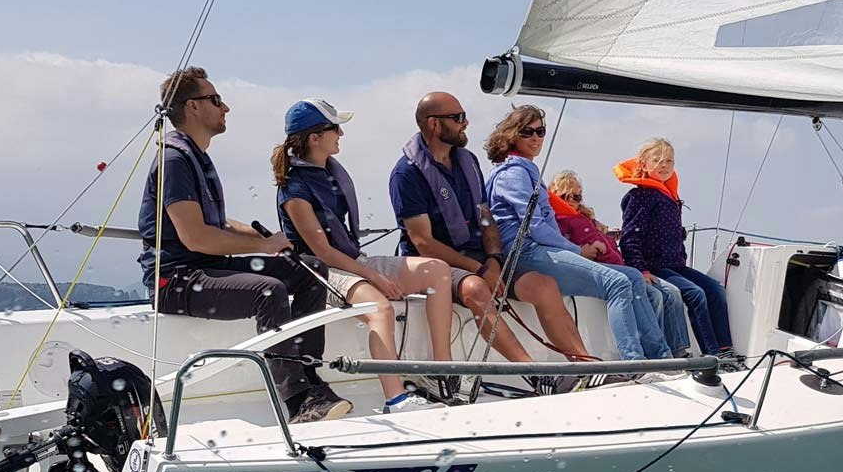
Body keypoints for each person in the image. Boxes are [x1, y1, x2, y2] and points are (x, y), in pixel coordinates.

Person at [135, 67, 351, 423]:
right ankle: (297, 402)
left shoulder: (195, 156)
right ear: (192, 107)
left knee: (311, 271)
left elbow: (217, 223)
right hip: (174, 281)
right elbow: (195, 237)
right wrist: (263, 249)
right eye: (216, 100)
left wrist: (266, 240)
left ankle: (310, 378)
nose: (226, 108)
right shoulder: (174, 159)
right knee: (268, 292)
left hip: (206, 269)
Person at [389, 92, 591, 392]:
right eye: (457, 118)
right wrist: (480, 270)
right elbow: (424, 242)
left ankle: (587, 367)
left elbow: (485, 218)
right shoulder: (406, 174)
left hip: (483, 258)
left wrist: (494, 258)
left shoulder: (467, 162)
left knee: (544, 285)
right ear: (434, 124)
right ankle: (537, 375)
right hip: (437, 264)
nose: (465, 123)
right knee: (476, 288)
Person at [274, 98, 455, 414]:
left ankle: (444, 373)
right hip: (320, 271)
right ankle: (395, 400)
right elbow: (322, 252)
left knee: (438, 271)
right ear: (314, 137)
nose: (341, 134)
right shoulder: (294, 189)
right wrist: (372, 275)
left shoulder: (328, 171)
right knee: (380, 309)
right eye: (335, 128)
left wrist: (367, 270)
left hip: (352, 261)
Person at [483, 105, 671, 364]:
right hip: (525, 252)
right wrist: (577, 251)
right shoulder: (513, 173)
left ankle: (661, 358)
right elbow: (535, 227)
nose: (537, 138)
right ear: (513, 135)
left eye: (541, 131)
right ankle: (634, 363)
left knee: (633, 277)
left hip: (540, 249)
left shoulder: (526, 170)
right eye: (528, 132)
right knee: (617, 283)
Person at [547, 170, 691, 356]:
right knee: (650, 293)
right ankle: (653, 355)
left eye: (577, 196)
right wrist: (581, 251)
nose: (572, 200)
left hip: (620, 267)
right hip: (597, 269)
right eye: (565, 196)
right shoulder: (558, 220)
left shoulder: (586, 220)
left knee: (665, 294)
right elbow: (559, 245)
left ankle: (669, 351)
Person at [616, 139, 736, 359]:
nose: (664, 165)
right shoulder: (639, 196)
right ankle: (712, 354)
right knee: (695, 293)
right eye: (657, 160)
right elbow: (630, 237)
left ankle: (726, 349)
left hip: (675, 264)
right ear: (643, 164)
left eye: (669, 161)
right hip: (654, 265)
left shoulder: (669, 197)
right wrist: (640, 269)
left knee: (715, 290)